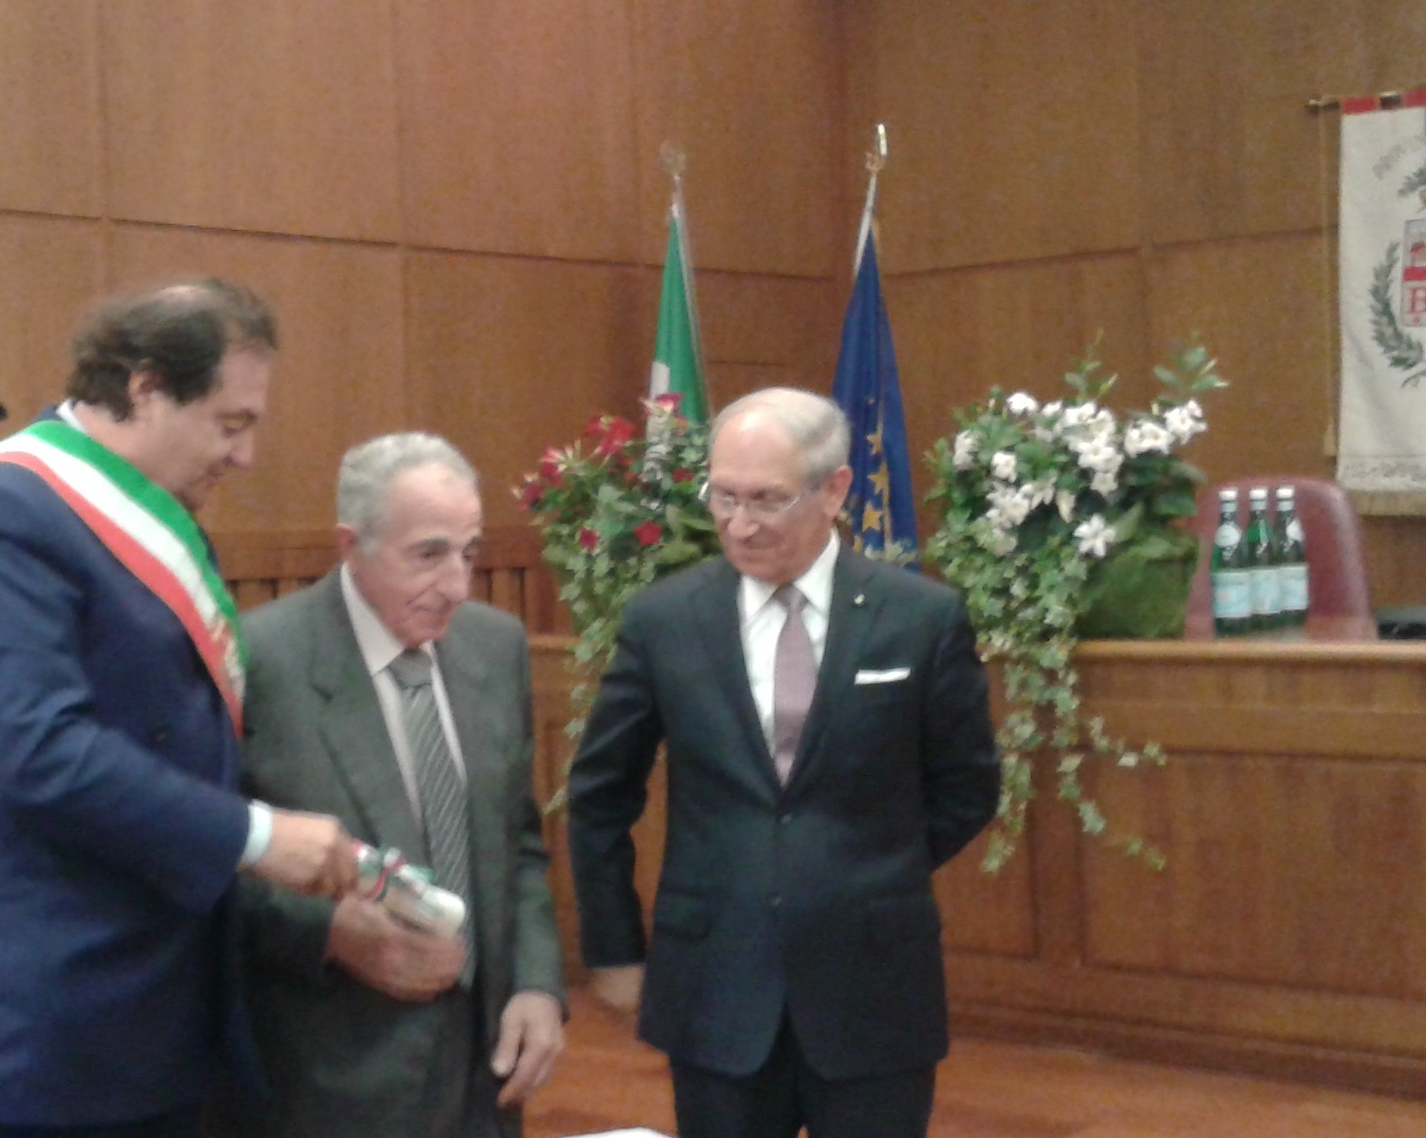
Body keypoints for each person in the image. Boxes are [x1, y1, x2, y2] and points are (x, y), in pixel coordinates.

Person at [0, 278, 358, 1137]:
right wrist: (258, 837)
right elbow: (37, 751)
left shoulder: (161, 517)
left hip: (163, 1004)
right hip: (59, 1028)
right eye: (230, 422)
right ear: (145, 387)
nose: (245, 455)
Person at [567, 387, 1001, 1138]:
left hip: (873, 987)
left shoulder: (918, 619)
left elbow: (968, 784)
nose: (739, 524)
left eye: (766, 499)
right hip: (715, 982)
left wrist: (866, 864)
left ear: (834, 490)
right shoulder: (664, 620)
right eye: (723, 496)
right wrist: (613, 949)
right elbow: (600, 793)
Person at [215, 432, 565, 1138]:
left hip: (485, 1069)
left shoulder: (494, 645)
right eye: (428, 554)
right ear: (351, 545)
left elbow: (518, 843)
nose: (457, 585)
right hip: (328, 1075)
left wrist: (536, 983)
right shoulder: (257, 660)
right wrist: (330, 935)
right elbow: (206, 860)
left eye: (469, 553)